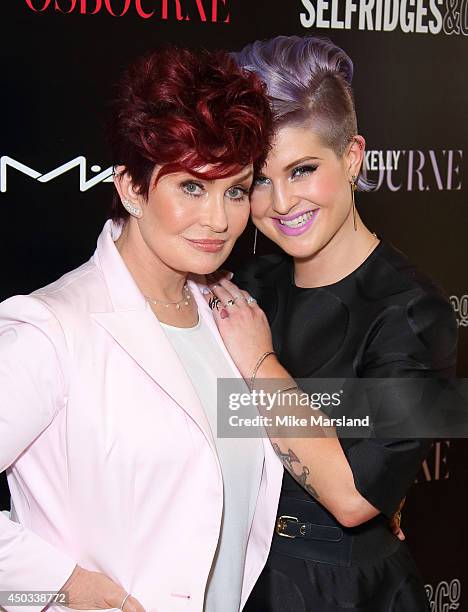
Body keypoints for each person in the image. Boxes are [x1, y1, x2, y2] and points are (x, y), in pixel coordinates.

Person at [0, 46, 283, 612]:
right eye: (192, 188)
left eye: (235, 190)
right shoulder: (52, 328)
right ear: (131, 188)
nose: (219, 220)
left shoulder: (231, 318)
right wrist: (64, 588)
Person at [203, 36, 458, 611]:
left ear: (352, 156)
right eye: (259, 180)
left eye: (303, 169)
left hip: (346, 594)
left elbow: (352, 497)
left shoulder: (414, 312)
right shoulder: (247, 286)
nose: (281, 202)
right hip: (241, 579)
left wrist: (260, 363)